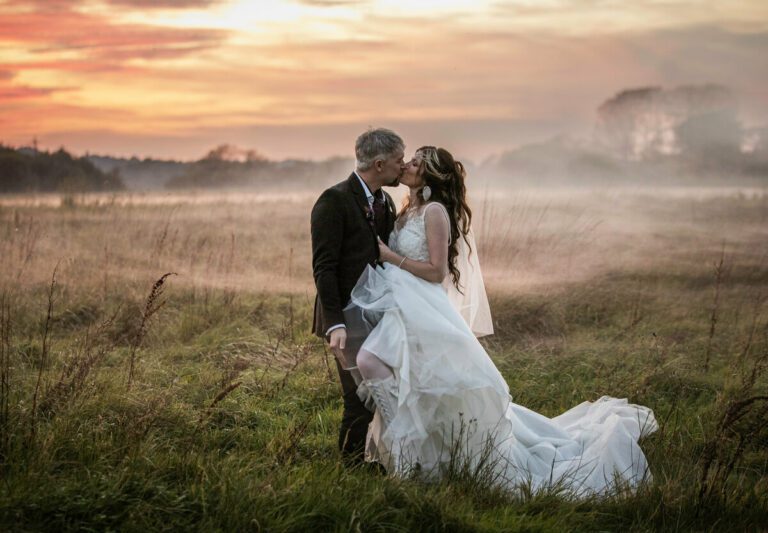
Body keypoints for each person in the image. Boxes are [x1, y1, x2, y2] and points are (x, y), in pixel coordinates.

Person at [348, 146, 658, 496]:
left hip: (422, 304)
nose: (406, 165)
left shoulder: (434, 211)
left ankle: (413, 459)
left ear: (430, 176)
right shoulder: (407, 209)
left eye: (416, 163)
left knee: (386, 368)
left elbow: (436, 272)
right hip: (403, 301)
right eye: (409, 160)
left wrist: (390, 256)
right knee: (408, 381)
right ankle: (416, 459)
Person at [310, 127, 405, 466]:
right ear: (379, 164)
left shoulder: (386, 201)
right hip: (344, 319)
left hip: (376, 313)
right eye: (398, 161)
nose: (402, 167)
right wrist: (335, 323)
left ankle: (376, 459)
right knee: (357, 397)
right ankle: (349, 469)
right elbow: (324, 267)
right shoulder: (333, 200)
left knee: (380, 391)